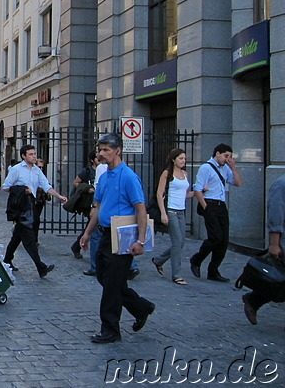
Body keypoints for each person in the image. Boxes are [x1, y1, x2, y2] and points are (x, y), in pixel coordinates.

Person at [79, 133, 155, 344]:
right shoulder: (103, 177)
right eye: (100, 150)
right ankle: (141, 307)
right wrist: (87, 233)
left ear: (118, 151)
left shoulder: (129, 177)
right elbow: (98, 208)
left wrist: (140, 241)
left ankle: (110, 329)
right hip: (104, 235)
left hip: (122, 237)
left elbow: (141, 209)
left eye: (106, 150)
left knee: (112, 284)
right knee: (105, 278)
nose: (101, 154)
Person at [1, 145, 67, 277]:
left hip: (31, 205)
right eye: (31, 154)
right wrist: (22, 190)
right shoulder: (16, 170)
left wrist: (59, 196)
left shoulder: (37, 170)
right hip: (20, 207)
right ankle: (41, 267)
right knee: (29, 238)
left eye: (34, 153)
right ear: (23, 156)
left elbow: (46, 185)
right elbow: (6, 187)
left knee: (18, 236)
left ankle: (7, 260)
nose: (34, 156)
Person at [190, 143, 243, 282]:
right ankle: (196, 259)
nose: (227, 159)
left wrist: (233, 168)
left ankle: (213, 271)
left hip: (221, 205)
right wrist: (205, 207)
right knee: (215, 237)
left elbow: (237, 183)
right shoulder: (206, 168)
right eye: (226, 156)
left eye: (230, 156)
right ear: (217, 153)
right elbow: (198, 188)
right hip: (210, 203)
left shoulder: (226, 169)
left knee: (223, 240)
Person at [241, 173, 285, 327]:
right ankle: (253, 300)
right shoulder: (281, 184)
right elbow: (276, 215)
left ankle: (253, 300)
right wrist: (274, 243)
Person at [151, 148, 197, 286]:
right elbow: (159, 194)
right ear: (173, 159)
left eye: (184, 158)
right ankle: (177, 274)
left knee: (181, 242)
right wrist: (163, 213)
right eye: (181, 158)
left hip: (181, 211)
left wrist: (197, 192)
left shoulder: (184, 174)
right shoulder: (167, 173)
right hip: (170, 210)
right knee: (177, 242)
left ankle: (159, 260)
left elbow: (185, 194)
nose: (183, 161)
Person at [70, 150, 99, 260]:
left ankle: (76, 246)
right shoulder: (87, 171)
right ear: (92, 160)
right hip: (89, 202)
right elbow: (76, 183)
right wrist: (88, 188)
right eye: (97, 158)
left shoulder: (105, 169)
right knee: (93, 225)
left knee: (91, 226)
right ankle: (78, 246)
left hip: (100, 201)